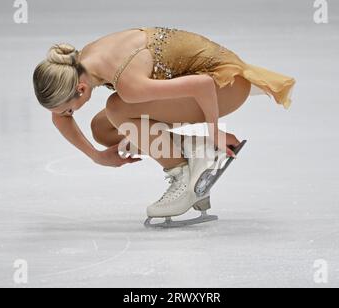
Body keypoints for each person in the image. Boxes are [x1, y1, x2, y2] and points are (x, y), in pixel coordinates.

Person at [32, 26, 296, 227]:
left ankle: (183, 180)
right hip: (205, 83)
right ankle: (197, 152)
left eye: (69, 109)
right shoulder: (83, 61)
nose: (67, 115)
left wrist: (214, 131)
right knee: (103, 129)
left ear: (80, 88)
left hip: (223, 86)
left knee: (117, 108)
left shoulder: (127, 82)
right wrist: (97, 156)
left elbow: (202, 85)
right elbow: (59, 117)